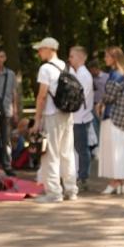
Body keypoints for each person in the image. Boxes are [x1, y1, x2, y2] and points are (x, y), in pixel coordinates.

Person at [30, 37, 78, 203]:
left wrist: (37, 120)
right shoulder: (66, 66)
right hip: (67, 114)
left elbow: (42, 96)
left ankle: (53, 192)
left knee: (50, 154)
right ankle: (71, 190)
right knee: (67, 153)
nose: (39, 52)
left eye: (41, 49)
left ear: (50, 49)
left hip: (51, 114)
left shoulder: (45, 69)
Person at [97, 46, 124, 195]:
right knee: (121, 150)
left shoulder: (116, 75)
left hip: (113, 116)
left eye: (107, 56)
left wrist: (100, 102)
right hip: (123, 117)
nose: (105, 59)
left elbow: (110, 96)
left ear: (114, 58)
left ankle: (114, 182)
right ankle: (121, 181)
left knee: (112, 151)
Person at [69, 46, 95, 191]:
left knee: (81, 148)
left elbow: (78, 96)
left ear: (79, 57)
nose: (69, 59)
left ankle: (83, 176)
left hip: (80, 118)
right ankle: (78, 174)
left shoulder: (84, 75)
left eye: (72, 56)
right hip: (76, 117)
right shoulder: (76, 72)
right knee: (76, 148)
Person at [0, 48, 18, 175]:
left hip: (7, 110)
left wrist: (16, 111)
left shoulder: (11, 74)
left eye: (0, 56)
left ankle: (7, 165)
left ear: (5, 58)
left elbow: (14, 93)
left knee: (6, 139)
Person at [88, 58, 109, 155]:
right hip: (93, 106)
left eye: (91, 70)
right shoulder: (90, 78)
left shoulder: (106, 77)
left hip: (103, 106)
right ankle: (99, 147)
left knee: (104, 127)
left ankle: (106, 147)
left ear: (96, 68)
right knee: (95, 127)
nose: (90, 72)